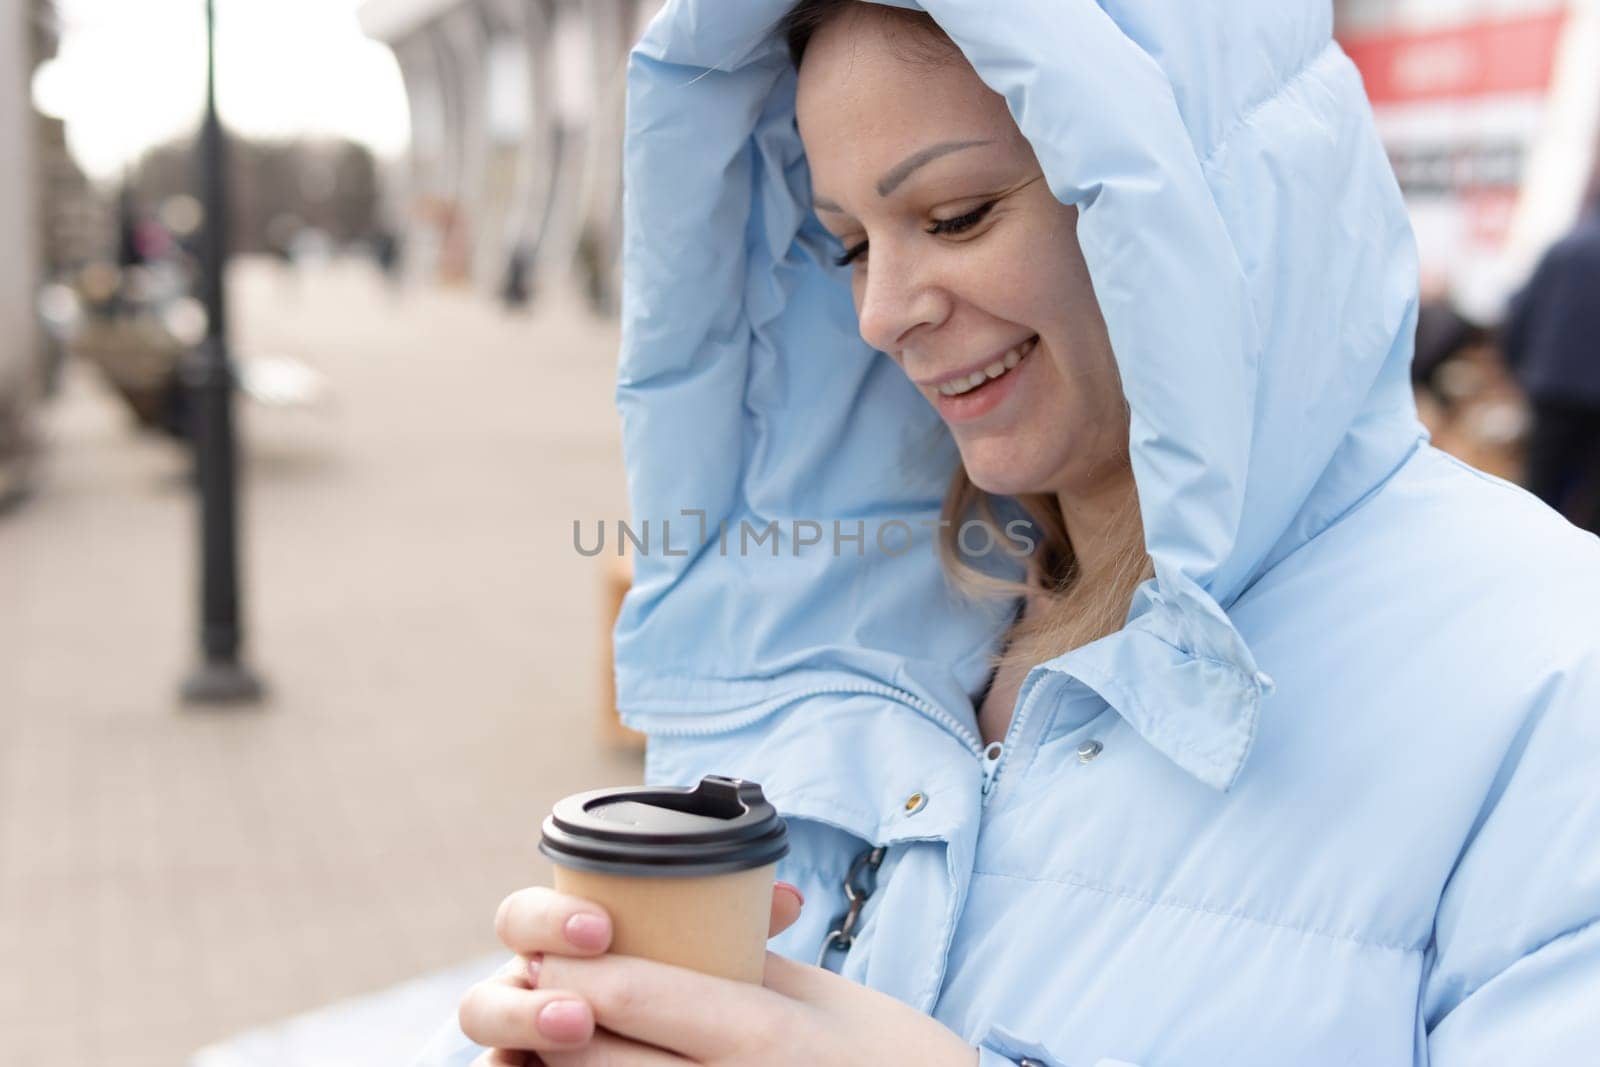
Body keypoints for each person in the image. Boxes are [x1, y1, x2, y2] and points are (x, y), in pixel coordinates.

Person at [425, 2, 1600, 1064]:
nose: (883, 312)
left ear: (1201, 199)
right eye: (847, 241)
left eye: (956, 213)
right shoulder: (851, 629)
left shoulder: (1550, 675)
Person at [1501, 195, 1600, 533]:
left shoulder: (1564, 249)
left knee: (1540, 492)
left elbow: (1519, 313)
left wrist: (1520, 369)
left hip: (1553, 390)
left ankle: (1526, 564)